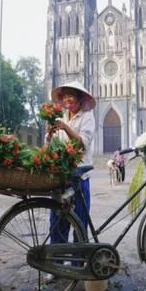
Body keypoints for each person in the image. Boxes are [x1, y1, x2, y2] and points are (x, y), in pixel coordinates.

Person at [45, 81, 96, 280]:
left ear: (80, 98)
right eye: (65, 96)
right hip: (61, 177)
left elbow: (83, 143)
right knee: (57, 221)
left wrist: (66, 128)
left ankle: (77, 267)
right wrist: (50, 136)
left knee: (80, 223)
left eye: (71, 96)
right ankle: (56, 266)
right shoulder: (59, 118)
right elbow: (50, 146)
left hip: (80, 176)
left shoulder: (87, 117)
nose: (68, 100)